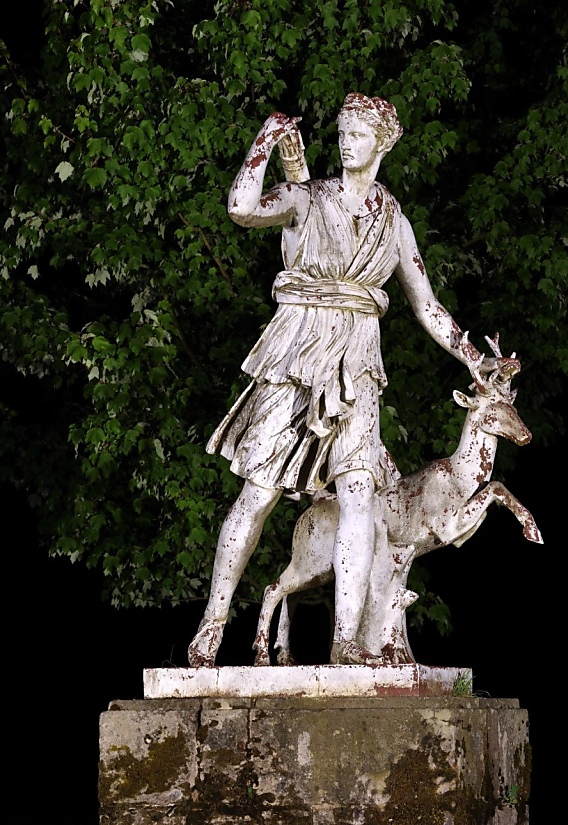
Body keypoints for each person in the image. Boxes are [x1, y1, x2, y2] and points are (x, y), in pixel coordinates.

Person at [188, 93, 492, 668]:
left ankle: (345, 639)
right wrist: (263, 145)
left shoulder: (393, 222)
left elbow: (426, 306)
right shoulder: (309, 198)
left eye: (358, 132)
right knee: (259, 493)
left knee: (359, 495)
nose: (346, 140)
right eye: (342, 131)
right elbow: (241, 208)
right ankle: (212, 622)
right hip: (297, 353)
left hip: (357, 365)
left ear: (383, 142)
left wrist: (474, 359)